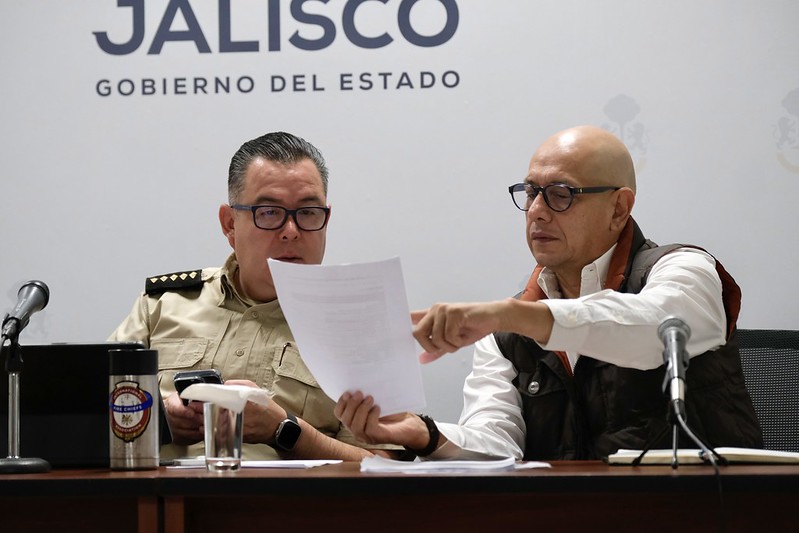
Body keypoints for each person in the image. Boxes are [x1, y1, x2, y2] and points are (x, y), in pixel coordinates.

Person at [335, 125, 762, 461]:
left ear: (619, 208)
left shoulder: (684, 269)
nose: (537, 211)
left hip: (702, 509)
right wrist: (426, 435)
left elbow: (651, 328)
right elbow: (497, 443)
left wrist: (512, 316)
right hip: (563, 513)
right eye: (530, 193)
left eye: (561, 194)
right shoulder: (506, 330)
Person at [110, 131, 398, 461]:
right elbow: (81, 415)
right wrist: (157, 419)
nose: (291, 231)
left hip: (287, 496)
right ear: (229, 224)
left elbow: (384, 467)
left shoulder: (360, 330)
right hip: (163, 493)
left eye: (308, 212)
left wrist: (284, 430)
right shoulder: (162, 306)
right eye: (270, 212)